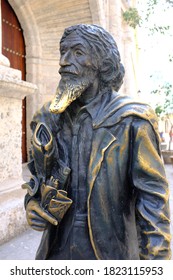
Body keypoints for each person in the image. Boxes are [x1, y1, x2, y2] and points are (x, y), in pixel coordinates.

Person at [24, 24, 171, 260]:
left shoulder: (133, 121)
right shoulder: (48, 117)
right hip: (55, 252)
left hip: (111, 253)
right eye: (63, 52)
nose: (63, 61)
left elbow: (153, 201)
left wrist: (157, 265)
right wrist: (32, 203)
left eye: (77, 53)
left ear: (102, 63)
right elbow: (37, 176)